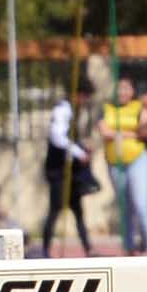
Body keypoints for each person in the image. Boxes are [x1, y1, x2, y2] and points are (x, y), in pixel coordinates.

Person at [100, 75, 147, 255]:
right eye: (119, 88)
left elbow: (146, 130)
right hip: (115, 163)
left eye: (126, 88)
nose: (122, 92)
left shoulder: (139, 106)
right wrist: (131, 132)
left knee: (141, 204)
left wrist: (119, 133)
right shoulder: (106, 108)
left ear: (132, 91)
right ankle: (129, 248)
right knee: (125, 209)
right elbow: (105, 132)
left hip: (138, 160)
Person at [39, 90, 97, 256]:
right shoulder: (62, 111)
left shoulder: (74, 112)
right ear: (78, 94)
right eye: (84, 96)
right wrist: (79, 152)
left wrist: (82, 148)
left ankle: (88, 249)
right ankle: (45, 250)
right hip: (58, 171)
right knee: (55, 210)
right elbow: (57, 138)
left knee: (78, 210)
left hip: (72, 172)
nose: (85, 100)